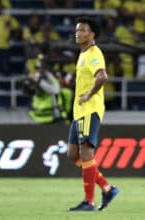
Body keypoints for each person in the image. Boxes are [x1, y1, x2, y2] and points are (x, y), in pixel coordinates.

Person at [67, 17, 119, 211]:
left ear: (93, 34)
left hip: (89, 109)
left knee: (86, 152)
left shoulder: (94, 53)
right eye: (77, 30)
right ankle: (107, 187)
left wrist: (89, 94)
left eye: (83, 30)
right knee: (73, 153)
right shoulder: (83, 54)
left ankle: (89, 201)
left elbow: (102, 76)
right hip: (79, 111)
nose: (78, 33)